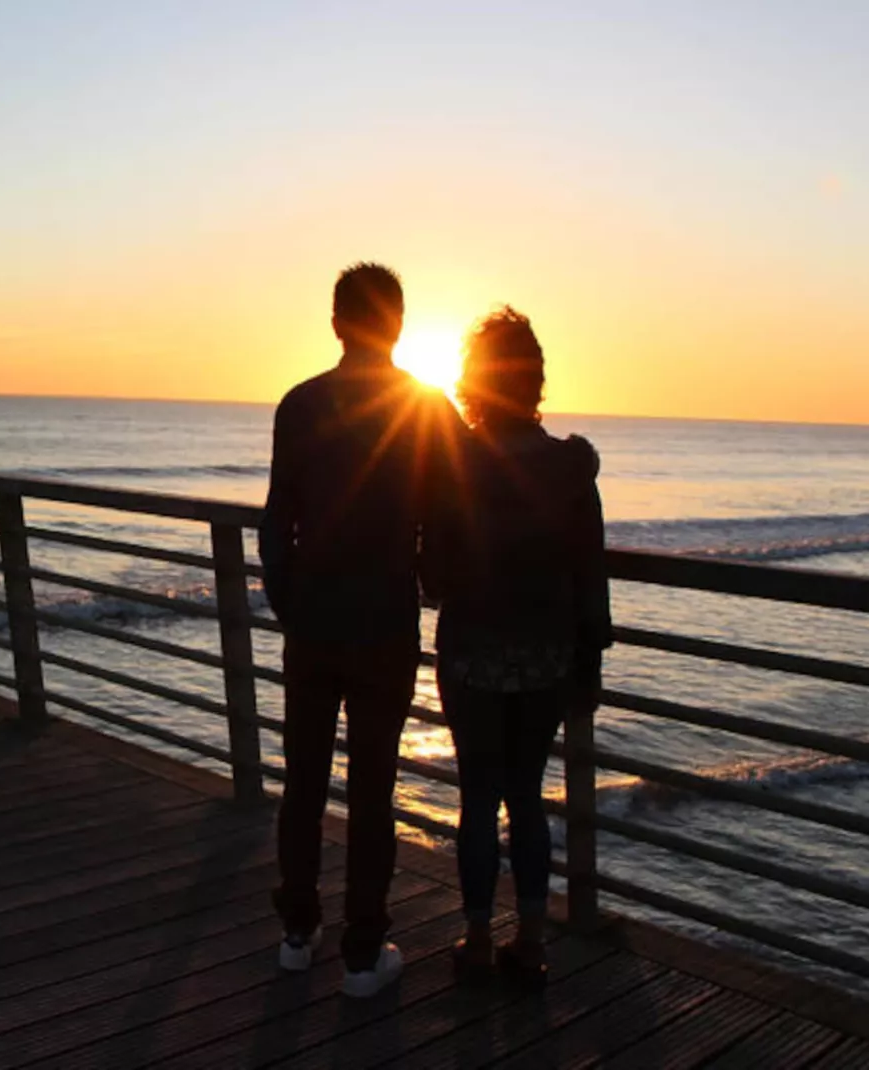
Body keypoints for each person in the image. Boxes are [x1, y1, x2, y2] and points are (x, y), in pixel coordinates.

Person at [260, 263, 464, 998]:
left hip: (313, 620)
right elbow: (450, 510)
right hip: (383, 622)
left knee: (304, 782)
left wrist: (288, 600)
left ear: (337, 322)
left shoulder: (300, 404)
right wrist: (434, 582)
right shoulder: (425, 407)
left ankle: (295, 931)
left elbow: (276, 518)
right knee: (373, 790)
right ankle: (361, 952)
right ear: (398, 325)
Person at [422, 307, 611, 985]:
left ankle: (476, 940)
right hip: (546, 658)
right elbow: (591, 572)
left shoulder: (457, 466)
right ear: (535, 383)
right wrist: (590, 661)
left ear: (476, 380)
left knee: (477, 797)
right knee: (526, 797)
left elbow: (436, 578)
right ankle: (531, 942)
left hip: (472, 652)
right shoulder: (569, 470)